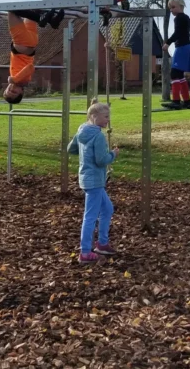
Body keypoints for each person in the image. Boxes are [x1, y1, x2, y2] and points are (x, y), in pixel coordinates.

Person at [67, 99, 119, 264]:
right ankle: (85, 252)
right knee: (90, 216)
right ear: (94, 116)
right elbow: (101, 160)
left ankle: (102, 243)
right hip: (95, 181)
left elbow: (71, 149)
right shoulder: (98, 136)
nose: (108, 120)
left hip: (87, 177)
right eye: (105, 116)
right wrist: (113, 155)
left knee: (108, 209)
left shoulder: (82, 130)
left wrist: (85, 155)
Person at [3, 9, 64, 104]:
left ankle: (52, 21)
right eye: (14, 91)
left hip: (31, 41)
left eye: (8, 90)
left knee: (33, 11)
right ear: (21, 91)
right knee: (12, 11)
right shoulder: (22, 80)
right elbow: (30, 67)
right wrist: (14, 79)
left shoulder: (20, 80)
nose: (12, 88)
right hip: (22, 42)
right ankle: (42, 19)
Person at [162, 0, 190, 110]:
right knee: (179, 75)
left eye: (173, 7)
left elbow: (178, 33)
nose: (171, 10)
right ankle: (187, 101)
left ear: (181, 6)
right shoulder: (185, 18)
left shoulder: (179, 18)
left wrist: (168, 42)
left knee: (174, 73)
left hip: (181, 47)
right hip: (186, 47)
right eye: (170, 8)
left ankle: (176, 101)